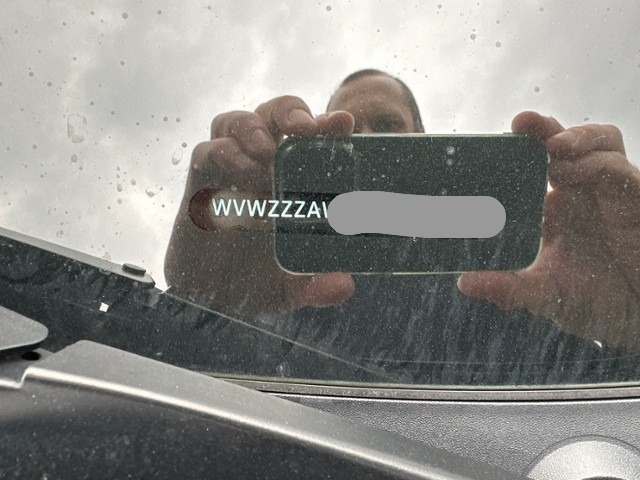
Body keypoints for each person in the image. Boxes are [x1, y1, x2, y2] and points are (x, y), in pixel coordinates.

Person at [165, 69, 640, 383]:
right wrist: (196, 303)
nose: (367, 140)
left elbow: (598, 418)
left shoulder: (500, 287)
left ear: (422, 143)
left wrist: (632, 318)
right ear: (320, 152)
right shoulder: (288, 283)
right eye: (350, 132)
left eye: (387, 126)